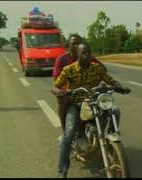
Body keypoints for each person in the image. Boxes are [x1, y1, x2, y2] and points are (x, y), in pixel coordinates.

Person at [53, 43, 129, 178]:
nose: (87, 55)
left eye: (88, 52)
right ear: (77, 54)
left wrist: (119, 87)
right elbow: (56, 86)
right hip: (76, 104)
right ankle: (62, 171)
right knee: (68, 133)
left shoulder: (97, 68)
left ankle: (110, 143)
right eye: (83, 53)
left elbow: (110, 80)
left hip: (95, 102)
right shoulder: (68, 69)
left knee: (115, 110)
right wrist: (60, 92)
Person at [52, 33, 107, 132]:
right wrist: (64, 90)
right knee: (62, 99)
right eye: (73, 44)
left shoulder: (88, 57)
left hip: (88, 91)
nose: (76, 46)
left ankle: (104, 132)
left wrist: (96, 84)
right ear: (68, 45)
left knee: (110, 108)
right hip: (69, 92)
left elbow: (103, 70)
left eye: (79, 44)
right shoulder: (62, 59)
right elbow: (57, 80)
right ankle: (65, 130)